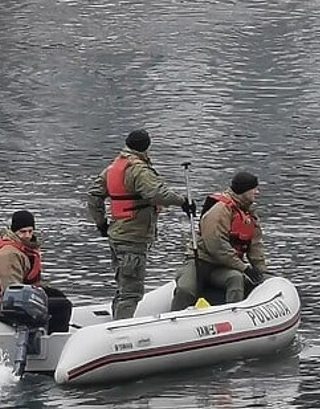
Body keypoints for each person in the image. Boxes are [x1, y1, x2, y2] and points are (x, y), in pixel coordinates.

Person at [86, 128, 197, 319]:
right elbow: (157, 193)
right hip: (133, 237)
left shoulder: (113, 167)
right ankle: (120, 330)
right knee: (131, 291)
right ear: (147, 147)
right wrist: (183, 202)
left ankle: (116, 319)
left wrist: (101, 224)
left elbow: (94, 196)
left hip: (117, 234)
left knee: (123, 284)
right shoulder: (139, 170)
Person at [171, 170, 268, 311]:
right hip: (201, 262)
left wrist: (261, 271)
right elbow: (216, 246)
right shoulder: (220, 211)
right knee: (186, 289)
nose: (257, 192)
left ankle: (232, 316)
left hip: (223, 267)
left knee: (235, 279)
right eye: (254, 189)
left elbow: (256, 247)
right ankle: (174, 318)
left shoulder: (250, 214)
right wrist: (244, 268)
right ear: (244, 190)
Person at [0, 209, 73, 333]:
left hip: (24, 294)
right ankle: (55, 341)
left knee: (57, 295)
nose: (27, 235)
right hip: (8, 305)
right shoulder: (8, 254)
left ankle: (49, 330)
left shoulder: (24, 248)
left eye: (30, 231)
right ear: (14, 231)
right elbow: (12, 290)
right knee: (63, 306)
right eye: (23, 232)